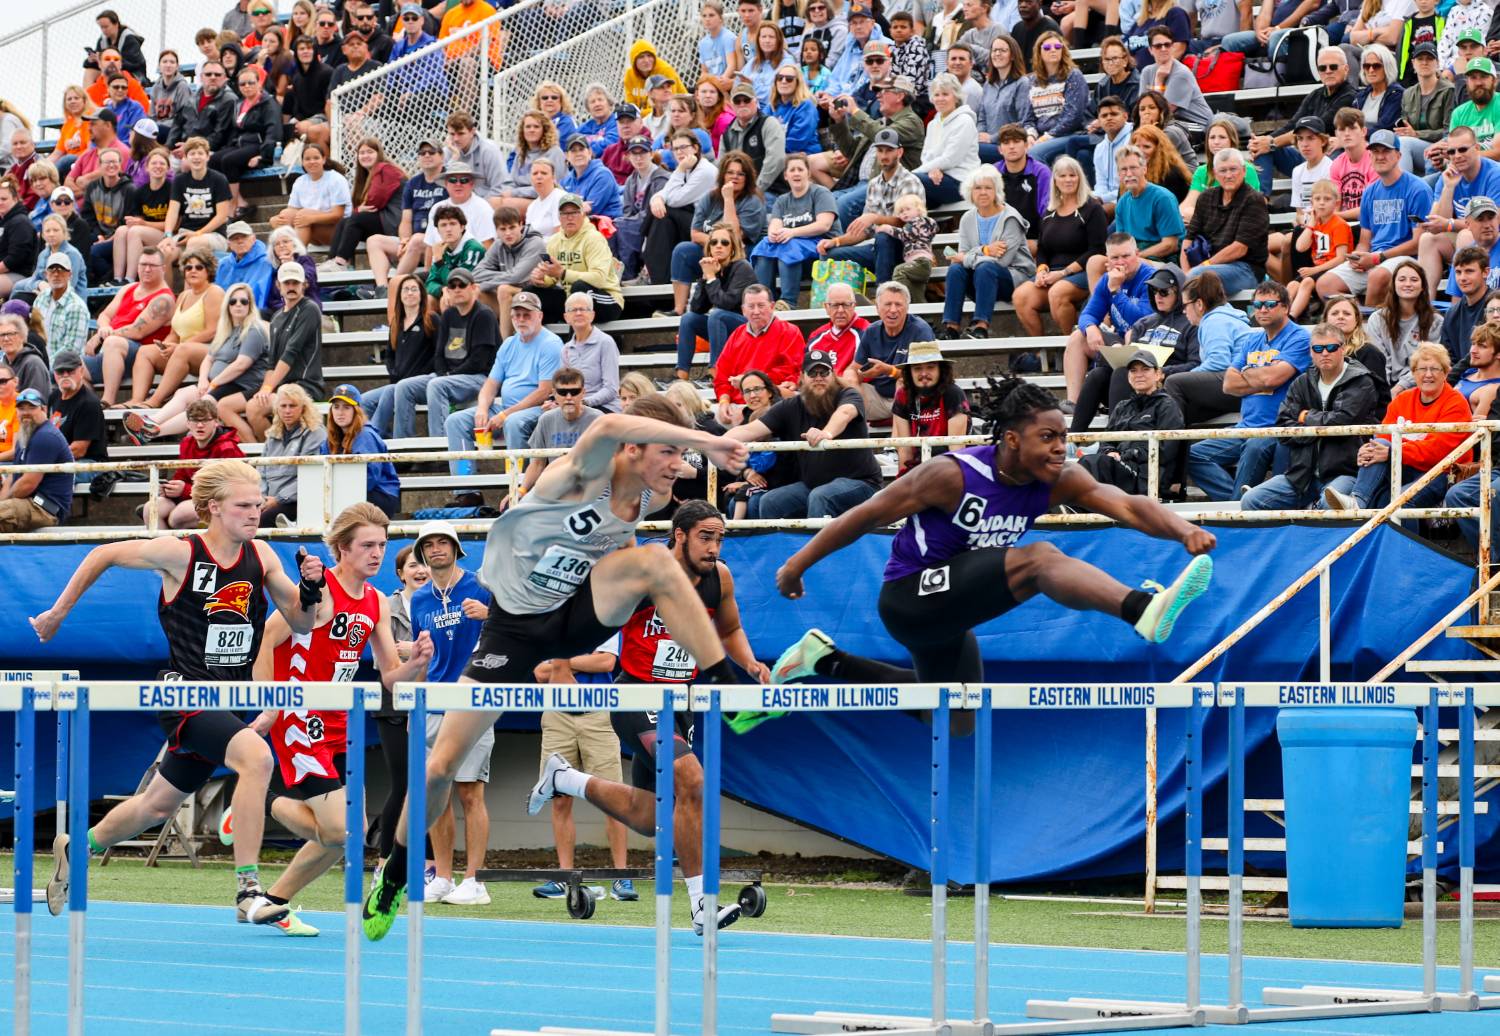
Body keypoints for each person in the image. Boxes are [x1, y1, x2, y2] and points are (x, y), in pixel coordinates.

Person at [361, 398, 751, 940]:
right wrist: (711, 441)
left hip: (574, 617)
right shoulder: (583, 470)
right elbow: (612, 422)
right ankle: (397, 870)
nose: (675, 465)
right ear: (633, 448)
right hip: (514, 628)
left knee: (657, 563)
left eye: (681, 454)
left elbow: (622, 553)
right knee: (439, 767)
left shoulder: (653, 495)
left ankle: (720, 681)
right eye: (669, 452)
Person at [769, 378, 1216, 714]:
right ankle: (1141, 610)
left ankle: (825, 662)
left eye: (1064, 437)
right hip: (909, 597)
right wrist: (796, 564)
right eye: (1048, 438)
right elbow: (862, 516)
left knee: (955, 712)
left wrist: (1182, 530)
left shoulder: (1061, 478)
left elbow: (1131, 506)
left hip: (951, 612)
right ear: (1011, 440)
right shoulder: (951, 475)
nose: (1061, 448)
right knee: (1040, 559)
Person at [33, 459, 332, 921]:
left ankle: (79, 844)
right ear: (213, 508)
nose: (256, 513)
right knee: (257, 758)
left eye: (259, 504)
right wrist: (57, 614)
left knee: (156, 804)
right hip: (185, 693)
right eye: (244, 506)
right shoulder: (181, 553)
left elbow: (300, 622)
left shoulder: (264, 556)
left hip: (227, 701)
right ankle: (248, 889)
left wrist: (310, 590)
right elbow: (103, 555)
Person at [540, 499, 767, 912]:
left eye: (719, 539)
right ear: (679, 535)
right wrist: (560, 664)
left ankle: (566, 780)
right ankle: (701, 904)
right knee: (692, 780)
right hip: (637, 696)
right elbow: (581, 615)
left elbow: (730, 628)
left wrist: (749, 663)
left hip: (682, 700)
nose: (714, 548)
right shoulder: (645, 575)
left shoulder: (720, 578)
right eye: (705, 537)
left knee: (649, 818)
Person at [1187, 279, 1312, 501]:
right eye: (1258, 305)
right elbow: (1228, 384)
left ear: (1285, 306)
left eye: (1270, 304)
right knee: (1193, 454)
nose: (1262, 310)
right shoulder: (1252, 340)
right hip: (1245, 427)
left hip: (1277, 428)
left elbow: (1273, 378)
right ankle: (1236, 502)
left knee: (1255, 447)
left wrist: (1249, 374)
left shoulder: (1299, 337)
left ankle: (1238, 508)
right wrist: (1262, 376)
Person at [1239, 322, 1383, 512]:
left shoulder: (1361, 381)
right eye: (1318, 348)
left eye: (1331, 348)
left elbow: (1341, 423)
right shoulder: (1302, 382)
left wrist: (1305, 417)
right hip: (1302, 474)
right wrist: (1321, 430)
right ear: (1311, 352)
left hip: (1345, 472)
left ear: (1344, 349)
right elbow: (1283, 428)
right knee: (1251, 500)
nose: (1325, 353)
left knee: (1329, 504)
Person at [531, 634, 632, 902]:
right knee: (559, 800)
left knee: (614, 799)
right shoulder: (553, 618)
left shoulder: (605, 619)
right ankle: (565, 876)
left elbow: (606, 663)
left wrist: (562, 663)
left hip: (598, 714)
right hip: (557, 714)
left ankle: (621, 876)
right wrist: (577, 662)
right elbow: (540, 672)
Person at [725, 347, 882, 517]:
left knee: (821, 496)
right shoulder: (792, 406)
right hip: (814, 484)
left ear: (833, 375)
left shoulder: (848, 394)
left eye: (824, 372)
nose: (818, 378)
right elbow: (751, 429)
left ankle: (818, 544)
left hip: (860, 482)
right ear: (802, 377)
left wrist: (826, 433)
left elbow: (845, 413)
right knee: (770, 501)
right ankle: (784, 544)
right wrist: (714, 442)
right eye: (812, 373)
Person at [1326, 342, 1473, 511]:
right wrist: (1369, 452)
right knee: (1378, 454)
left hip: (1443, 472)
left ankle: (1400, 534)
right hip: (1405, 466)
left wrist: (1392, 452)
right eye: (1422, 369)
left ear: (1446, 373)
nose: (1428, 375)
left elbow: (1438, 450)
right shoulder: (1403, 399)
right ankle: (1357, 501)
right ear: (1413, 373)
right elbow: (1384, 439)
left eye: (1435, 369)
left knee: (1398, 502)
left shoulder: (1455, 402)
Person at [125, 282, 269, 444]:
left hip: (242, 385)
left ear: (250, 305)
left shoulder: (254, 329)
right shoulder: (227, 329)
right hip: (221, 384)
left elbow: (241, 364)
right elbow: (209, 358)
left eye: (244, 301)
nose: (238, 305)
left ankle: (153, 432)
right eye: (233, 301)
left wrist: (213, 383)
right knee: (184, 393)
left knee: (202, 405)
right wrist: (203, 380)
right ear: (227, 305)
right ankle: (150, 423)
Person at [1070, 265, 1196, 433]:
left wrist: (1161, 371)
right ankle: (1074, 437)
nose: (1157, 296)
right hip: (1134, 384)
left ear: (1179, 294)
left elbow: (1195, 364)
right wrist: (1114, 353)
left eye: (1164, 292)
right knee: (1098, 374)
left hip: (1163, 384)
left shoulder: (1191, 323)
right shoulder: (1143, 324)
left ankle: (1114, 439)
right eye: (1153, 291)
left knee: (1123, 373)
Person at [447, 288, 564, 467]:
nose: (521, 319)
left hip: (539, 409)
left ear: (539, 316)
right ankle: (466, 488)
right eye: (517, 315)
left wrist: (505, 414)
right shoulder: (508, 344)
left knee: (513, 422)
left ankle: (517, 487)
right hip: (506, 408)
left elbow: (544, 391)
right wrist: (482, 409)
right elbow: (490, 384)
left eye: (527, 315)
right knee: (455, 421)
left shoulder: (551, 344)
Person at [1317, 129, 1433, 306]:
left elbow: (1418, 243)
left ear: (1398, 155)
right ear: (1369, 157)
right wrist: (1359, 255)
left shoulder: (1418, 189)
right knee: (1325, 284)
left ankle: (1369, 328)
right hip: (1375, 257)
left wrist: (1378, 258)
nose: (1380, 156)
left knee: (1378, 276)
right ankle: (1356, 320)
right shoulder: (1370, 192)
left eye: (1386, 151)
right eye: (1375, 152)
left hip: (1407, 259)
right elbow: (1365, 240)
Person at [393, 267, 498, 441]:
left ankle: (441, 447)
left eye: (462, 285)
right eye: (452, 286)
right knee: (404, 387)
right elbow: (439, 353)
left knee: (437, 385)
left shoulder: (483, 315)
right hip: (449, 376)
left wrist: (447, 376)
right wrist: (443, 374)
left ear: (473, 288)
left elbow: (479, 361)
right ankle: (404, 448)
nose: (457, 289)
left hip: (480, 378)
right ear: (447, 291)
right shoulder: (448, 314)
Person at [1014, 155, 1108, 339]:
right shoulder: (1050, 211)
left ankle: (1074, 343)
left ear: (1080, 178)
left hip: (1082, 272)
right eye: (1063, 176)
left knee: (1058, 293)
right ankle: (1041, 351)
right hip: (1053, 272)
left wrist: (1063, 273)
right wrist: (1041, 270)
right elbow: (1043, 249)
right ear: (1055, 180)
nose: (1068, 180)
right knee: (1021, 296)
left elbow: (1097, 250)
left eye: (1072, 175)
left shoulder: (1092, 208)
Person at [818, 127, 923, 287]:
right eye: (880, 151)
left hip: (907, 250)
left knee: (884, 235)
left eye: (889, 150)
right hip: (879, 250)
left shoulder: (910, 181)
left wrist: (875, 218)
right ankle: (847, 299)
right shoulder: (874, 184)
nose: (884, 155)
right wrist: (836, 241)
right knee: (829, 254)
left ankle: (883, 291)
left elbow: (909, 225)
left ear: (899, 152)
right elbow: (864, 231)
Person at [121, 250, 225, 410]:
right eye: (188, 268)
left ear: (208, 270)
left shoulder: (214, 292)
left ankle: (154, 400)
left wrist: (178, 347)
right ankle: (136, 400)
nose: (193, 271)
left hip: (212, 353)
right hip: (182, 351)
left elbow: (212, 331)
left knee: (183, 349)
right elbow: (174, 334)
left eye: (199, 267)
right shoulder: (183, 295)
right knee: (146, 351)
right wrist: (165, 346)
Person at [1075, 350, 1184, 495]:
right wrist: (1110, 451)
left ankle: (1073, 510)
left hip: (1147, 475)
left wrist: (1129, 454)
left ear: (1158, 374)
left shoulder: (1167, 405)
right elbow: (1106, 440)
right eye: (1133, 370)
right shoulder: (1122, 406)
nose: (1139, 375)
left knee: (1094, 463)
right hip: (1120, 468)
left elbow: (1166, 451)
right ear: (1128, 376)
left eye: (1145, 369)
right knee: (1083, 466)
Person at [1065, 233, 1155, 406]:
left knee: (1131, 334)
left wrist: (1115, 291)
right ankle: (1073, 403)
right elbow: (1088, 314)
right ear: (1108, 260)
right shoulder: (1107, 279)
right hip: (1120, 342)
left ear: (1137, 254)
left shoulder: (1150, 277)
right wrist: (1090, 328)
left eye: (1126, 256)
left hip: (1147, 343)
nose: (1120, 262)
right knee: (1078, 337)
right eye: (1115, 257)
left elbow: (1141, 321)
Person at [241, 262, 323, 441]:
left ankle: (276, 455)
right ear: (278, 286)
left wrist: (268, 388)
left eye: (295, 283)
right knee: (233, 405)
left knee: (254, 408)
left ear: (304, 285)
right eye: (287, 283)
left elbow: (290, 353)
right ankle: (270, 453)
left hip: (305, 384)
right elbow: (272, 361)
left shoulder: (309, 308)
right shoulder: (277, 316)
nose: (291, 287)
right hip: (281, 385)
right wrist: (265, 388)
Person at [83, 249, 173, 406]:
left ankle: (107, 400)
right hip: (112, 353)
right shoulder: (129, 288)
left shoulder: (163, 299)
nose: (146, 269)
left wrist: (103, 336)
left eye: (152, 265)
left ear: (163, 268)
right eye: (143, 264)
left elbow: (137, 331)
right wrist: (103, 329)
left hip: (141, 356)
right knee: (70, 368)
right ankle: (92, 409)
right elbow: (104, 315)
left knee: (113, 342)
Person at [150, 397, 246, 529]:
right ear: (188, 424)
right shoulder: (186, 443)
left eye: (205, 420)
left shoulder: (227, 447)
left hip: (222, 501)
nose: (200, 425)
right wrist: (170, 488)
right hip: (195, 496)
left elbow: (230, 488)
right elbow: (182, 475)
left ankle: (189, 548)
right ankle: (163, 549)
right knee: (151, 509)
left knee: (178, 516)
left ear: (216, 422)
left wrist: (185, 490)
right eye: (195, 420)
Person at [365, 140, 446, 293]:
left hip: (437, 243)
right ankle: (382, 288)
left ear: (441, 156)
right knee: (374, 241)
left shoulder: (449, 181)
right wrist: (404, 240)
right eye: (422, 153)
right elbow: (406, 220)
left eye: (431, 152)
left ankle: (394, 289)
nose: (426, 155)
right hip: (413, 242)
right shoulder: (413, 183)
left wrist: (412, 241)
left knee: (416, 240)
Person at [530, 194, 624, 323]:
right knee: (530, 293)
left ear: (583, 215)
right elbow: (552, 279)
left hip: (607, 300)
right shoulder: (554, 241)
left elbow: (599, 279)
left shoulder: (594, 238)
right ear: (559, 217)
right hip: (571, 299)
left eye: (574, 212)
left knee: (579, 289)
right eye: (564, 213)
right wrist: (541, 279)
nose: (569, 217)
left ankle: (573, 341)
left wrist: (563, 273)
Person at [320, 385, 401, 517]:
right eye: (336, 407)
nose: (340, 412)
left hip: (380, 495)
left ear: (356, 411)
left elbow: (369, 478)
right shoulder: (331, 439)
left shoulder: (365, 435)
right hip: (352, 492)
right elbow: (323, 472)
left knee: (336, 500)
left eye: (346, 407)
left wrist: (340, 491)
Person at [891, 341, 971, 474]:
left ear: (941, 369)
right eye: (917, 368)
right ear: (909, 372)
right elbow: (905, 449)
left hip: (948, 467)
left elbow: (956, 449)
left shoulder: (953, 394)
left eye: (930, 367)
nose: (924, 373)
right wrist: (903, 482)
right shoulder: (902, 395)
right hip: (917, 469)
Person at [1363, 260, 1443, 391]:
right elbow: (1379, 360)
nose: (1408, 284)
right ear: (1393, 285)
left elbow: (1430, 362)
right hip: (1385, 385)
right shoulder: (1377, 319)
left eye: (1414, 280)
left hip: (1419, 385)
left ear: (1423, 286)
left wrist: (1401, 386)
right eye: (1402, 279)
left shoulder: (1435, 321)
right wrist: (1386, 391)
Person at [0, 388, 73, 532]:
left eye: (32, 407)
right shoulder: (26, 434)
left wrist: (4, 503)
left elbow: (27, 485)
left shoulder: (45, 436)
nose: (26, 412)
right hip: (27, 502)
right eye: (21, 408)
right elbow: (12, 478)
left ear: (44, 410)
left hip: (45, 508)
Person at [258, 384, 326, 527]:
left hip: (300, 500)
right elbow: (261, 472)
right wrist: (262, 499)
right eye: (283, 406)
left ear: (303, 408)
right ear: (277, 408)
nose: (287, 411)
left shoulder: (315, 432)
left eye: (292, 405)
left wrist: (278, 500)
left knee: (261, 520)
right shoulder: (273, 435)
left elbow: (310, 476)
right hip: (270, 500)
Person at [161, 138, 234, 271]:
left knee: (194, 243)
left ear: (207, 157)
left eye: (200, 153)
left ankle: (188, 290)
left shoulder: (219, 179)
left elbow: (222, 216)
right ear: (186, 158)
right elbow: (173, 211)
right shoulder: (180, 180)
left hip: (215, 235)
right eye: (192, 154)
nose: (196, 157)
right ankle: (167, 291)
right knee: (165, 250)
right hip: (186, 233)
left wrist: (198, 233)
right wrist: (168, 235)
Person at [476, 206, 548, 340]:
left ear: (521, 225)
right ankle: (482, 343)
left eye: (512, 227)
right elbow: (476, 273)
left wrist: (487, 283)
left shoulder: (535, 243)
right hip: (513, 297)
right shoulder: (498, 245)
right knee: (476, 292)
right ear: (496, 231)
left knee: (503, 289)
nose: (508, 233)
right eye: (502, 229)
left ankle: (504, 345)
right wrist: (506, 276)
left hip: (539, 297)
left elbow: (517, 276)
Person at [913, 73, 979, 207]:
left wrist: (916, 172)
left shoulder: (964, 121)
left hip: (960, 181)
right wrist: (932, 170)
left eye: (945, 94)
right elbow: (925, 156)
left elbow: (950, 159)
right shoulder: (933, 124)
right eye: (936, 95)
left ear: (955, 97)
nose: (940, 99)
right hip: (936, 178)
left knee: (909, 181)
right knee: (909, 201)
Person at [1441, 245, 1493, 368]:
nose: (1462, 278)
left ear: (1485, 272)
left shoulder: (1495, 306)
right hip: (1460, 380)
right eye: (1458, 272)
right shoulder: (1451, 314)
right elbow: (1446, 358)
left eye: (1469, 271)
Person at [34, 254, 89, 361]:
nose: (56, 274)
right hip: (40, 363)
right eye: (52, 270)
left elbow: (71, 350)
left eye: (61, 270)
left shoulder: (77, 307)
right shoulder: (40, 299)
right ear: (46, 274)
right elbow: (34, 334)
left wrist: (43, 366)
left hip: (65, 369)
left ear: (70, 275)